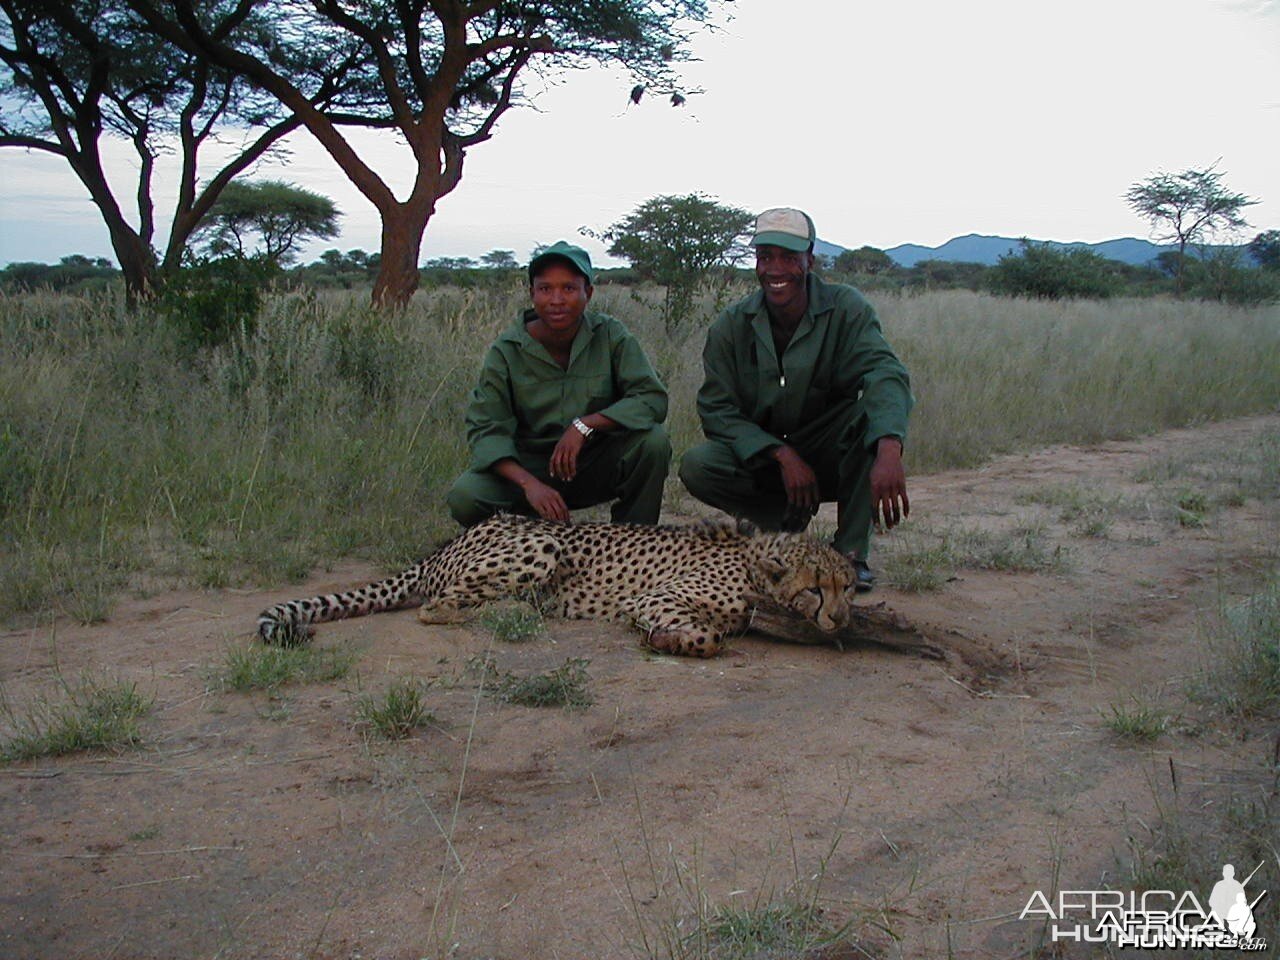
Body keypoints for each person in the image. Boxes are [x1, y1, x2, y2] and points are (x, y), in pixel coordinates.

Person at [679, 208, 913, 591]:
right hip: (768, 458)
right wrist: (780, 455)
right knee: (698, 464)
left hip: (830, 452)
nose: (776, 269)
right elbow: (717, 410)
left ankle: (851, 553)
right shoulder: (731, 325)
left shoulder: (846, 308)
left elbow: (884, 373)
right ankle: (782, 526)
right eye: (766, 256)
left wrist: (890, 447)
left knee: (867, 420)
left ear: (810, 260)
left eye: (789, 257)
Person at [447, 241, 671, 526]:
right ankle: (517, 547)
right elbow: (486, 430)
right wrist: (530, 485)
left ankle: (634, 545)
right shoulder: (506, 350)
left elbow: (651, 399)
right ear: (532, 294)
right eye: (545, 289)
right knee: (466, 496)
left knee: (653, 442)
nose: (556, 299)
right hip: (530, 470)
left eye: (568, 288)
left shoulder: (612, 335)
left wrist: (585, 425)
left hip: (592, 463)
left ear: (587, 293)